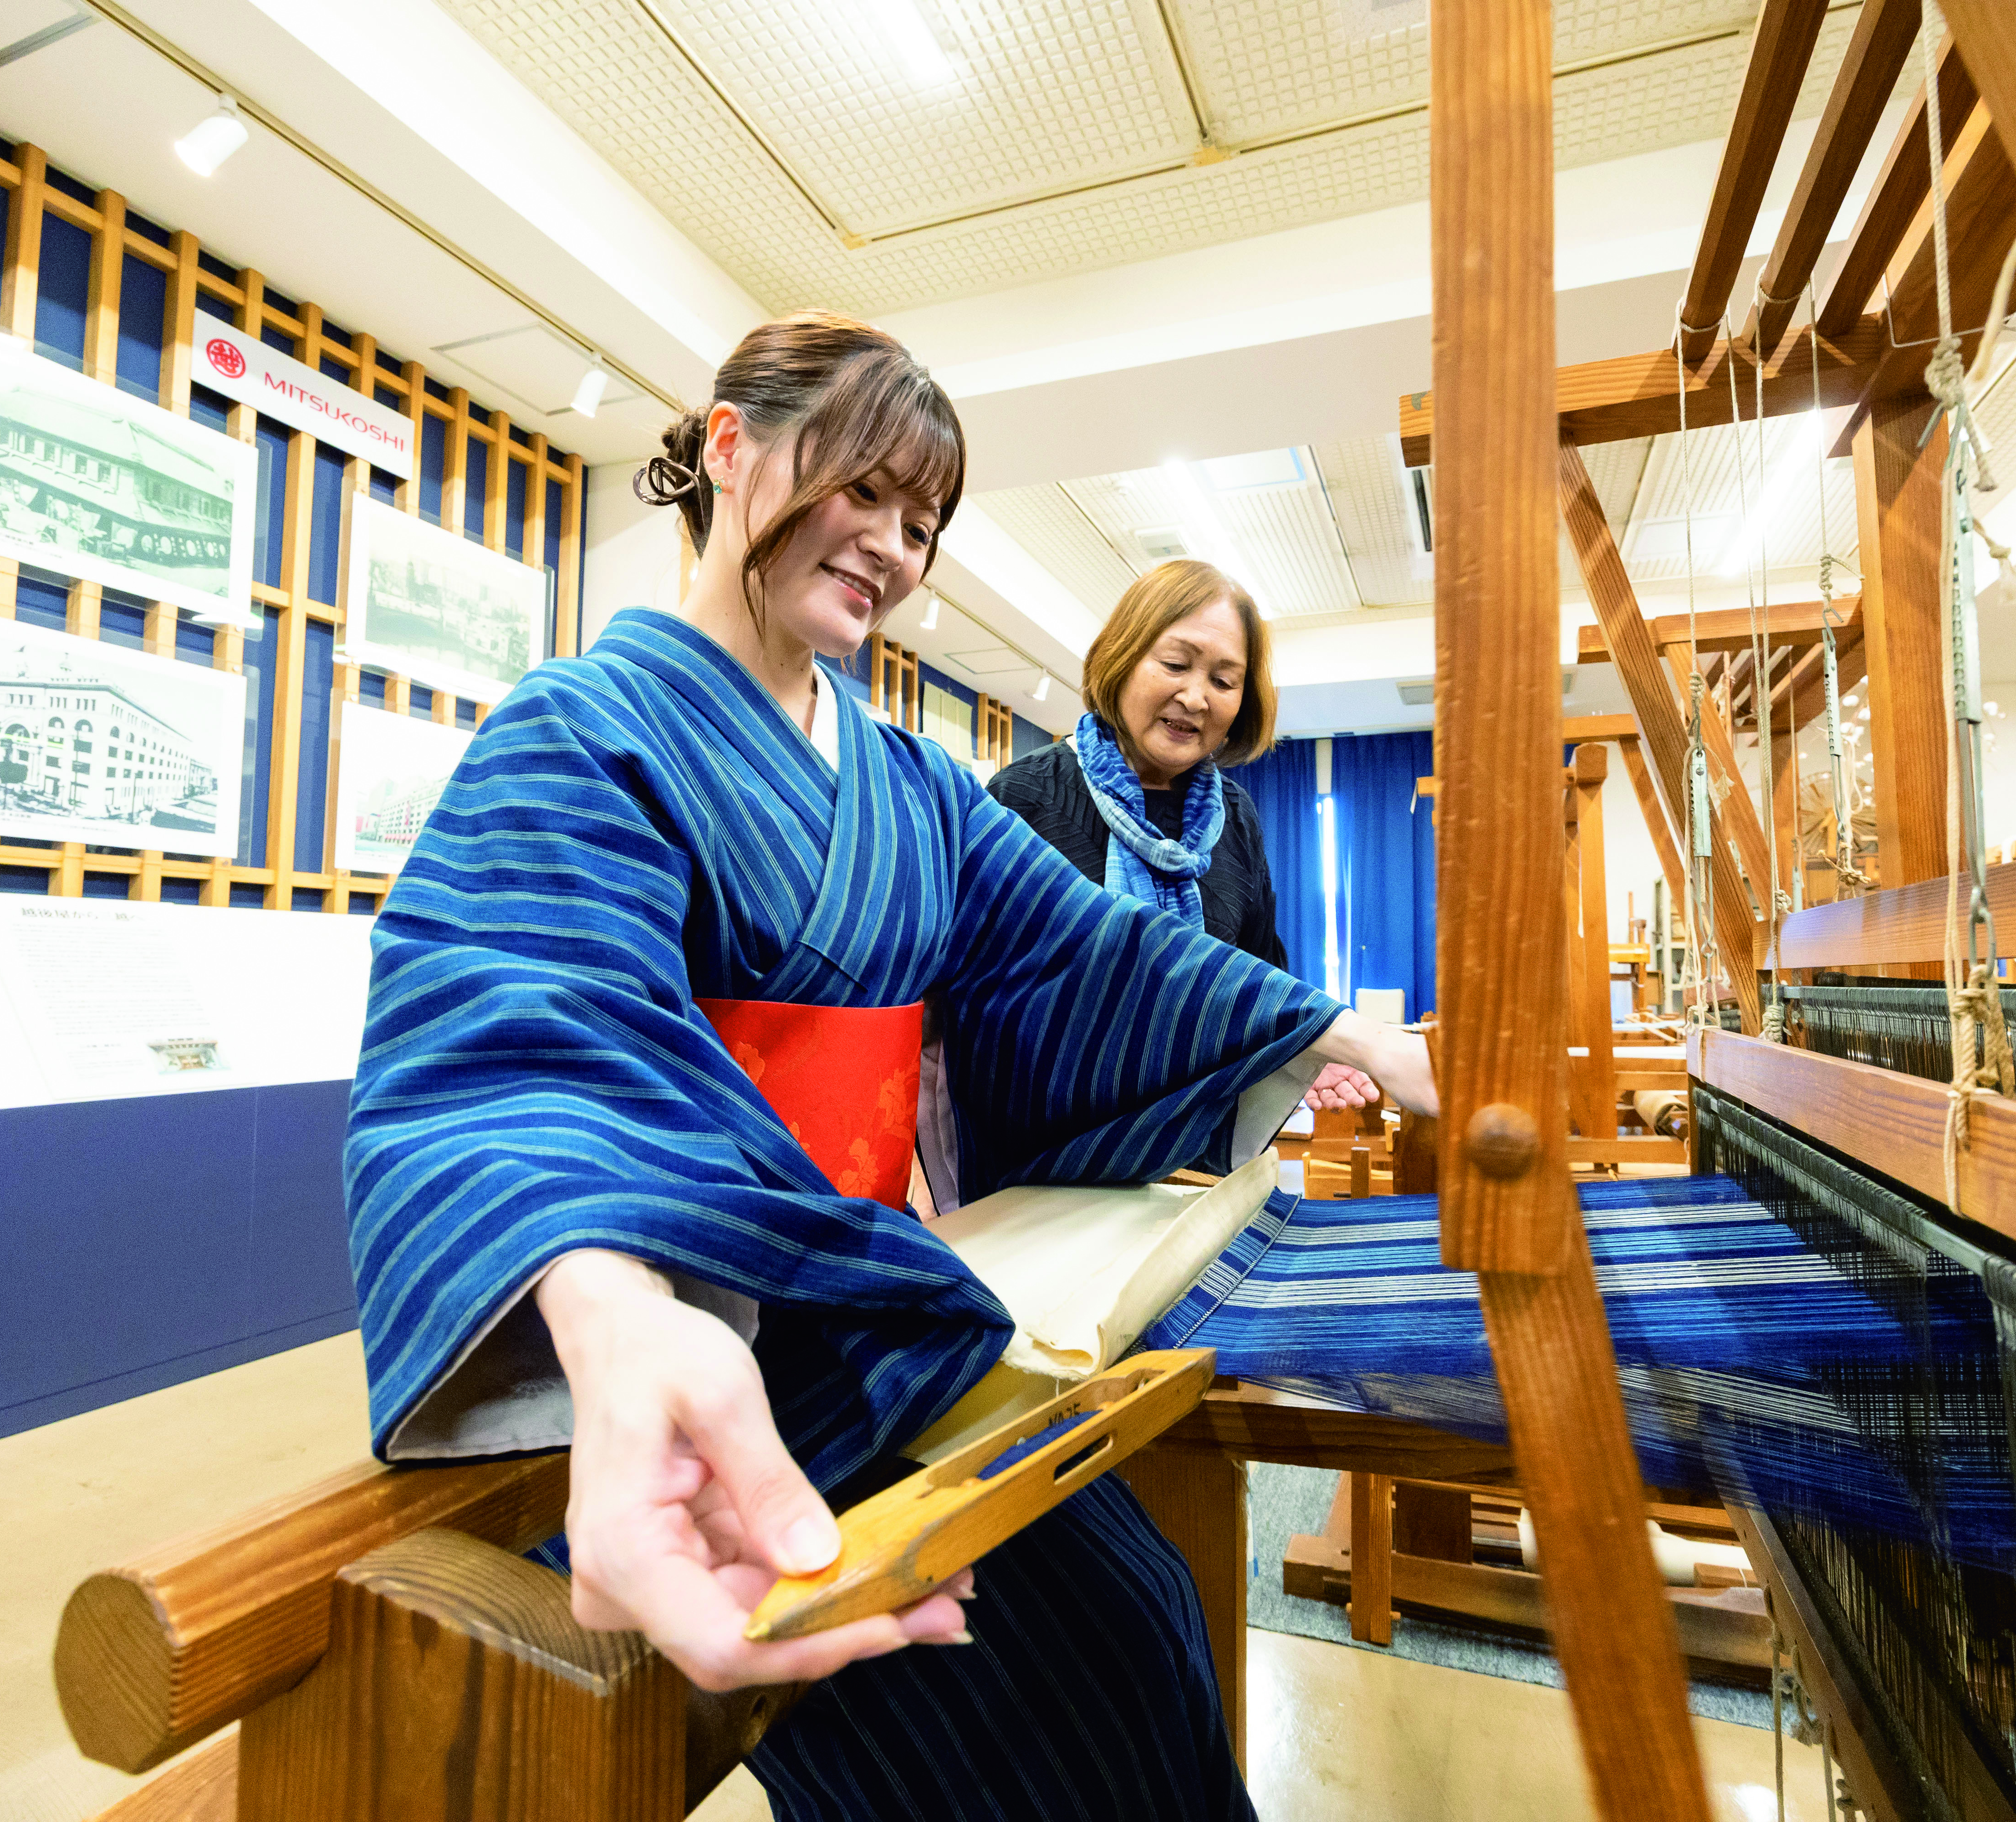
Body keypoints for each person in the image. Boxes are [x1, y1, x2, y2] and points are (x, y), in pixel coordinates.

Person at [342, 311, 1434, 1821]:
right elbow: (524, 1032)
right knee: (1011, 1734)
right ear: (730, 447)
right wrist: (611, 1320)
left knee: (1140, 1626)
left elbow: (1085, 954)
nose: (892, 546)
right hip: (710, 1355)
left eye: (921, 521)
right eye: (863, 491)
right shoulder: (581, 731)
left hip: (871, 1333)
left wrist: (1332, 1031)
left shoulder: (914, 783)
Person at [989, 559, 1379, 1110]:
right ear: (1123, 658)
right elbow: (974, 994)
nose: (1197, 698)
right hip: (1044, 1143)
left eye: (1223, 681)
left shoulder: (1234, 817)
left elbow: (1260, 973)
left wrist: (1298, 1052)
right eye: (1176, 664)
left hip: (1199, 1142)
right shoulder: (1026, 798)